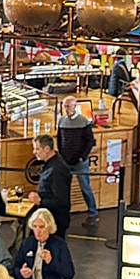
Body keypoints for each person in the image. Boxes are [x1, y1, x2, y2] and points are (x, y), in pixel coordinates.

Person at [57, 96, 99, 227]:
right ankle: (64, 213)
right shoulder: (61, 121)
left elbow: (89, 141)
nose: (66, 109)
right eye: (65, 107)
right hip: (66, 161)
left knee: (85, 188)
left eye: (68, 106)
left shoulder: (84, 121)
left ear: (75, 106)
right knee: (64, 189)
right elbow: (59, 139)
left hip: (80, 162)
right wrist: (61, 155)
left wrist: (83, 156)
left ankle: (93, 214)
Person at [13, 208, 76, 279]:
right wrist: (21, 272)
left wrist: (51, 261)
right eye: (35, 226)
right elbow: (15, 267)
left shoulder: (59, 244)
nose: (38, 231)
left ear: (49, 227)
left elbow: (69, 273)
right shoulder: (27, 243)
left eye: (41, 227)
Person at [29, 135, 72, 239]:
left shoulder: (57, 171)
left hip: (54, 219)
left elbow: (61, 201)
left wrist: (40, 201)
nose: (34, 152)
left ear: (47, 149)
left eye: (37, 149)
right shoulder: (52, 164)